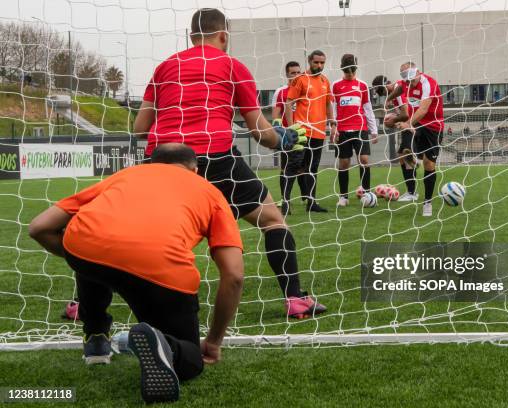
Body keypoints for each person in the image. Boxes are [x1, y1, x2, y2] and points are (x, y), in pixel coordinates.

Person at [132, 8, 326, 319]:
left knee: (130, 231)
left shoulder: (165, 67)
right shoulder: (232, 65)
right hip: (214, 157)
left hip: (161, 161)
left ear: (191, 36)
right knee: (273, 221)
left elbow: (140, 128)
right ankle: (295, 299)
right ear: (224, 36)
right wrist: (285, 140)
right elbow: (260, 133)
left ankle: (83, 304)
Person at [28, 144, 244, 404]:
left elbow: (39, 227)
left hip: (87, 247)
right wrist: (213, 341)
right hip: (161, 270)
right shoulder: (210, 192)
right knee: (192, 360)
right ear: (195, 170)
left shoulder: (125, 175)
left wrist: (89, 256)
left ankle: (96, 335)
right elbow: (234, 276)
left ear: (150, 163)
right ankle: (168, 347)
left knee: (89, 250)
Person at [385, 61, 445, 217]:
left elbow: (423, 109)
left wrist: (407, 123)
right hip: (417, 125)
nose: (409, 81)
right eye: (406, 78)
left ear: (417, 71)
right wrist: (389, 98)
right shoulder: (406, 83)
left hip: (432, 127)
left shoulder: (428, 83)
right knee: (404, 153)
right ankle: (414, 159)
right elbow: (399, 89)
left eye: (411, 77)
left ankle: (427, 202)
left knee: (429, 164)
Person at [285, 49, 336, 213]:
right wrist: (292, 128)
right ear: (309, 61)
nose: (319, 65)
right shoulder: (300, 80)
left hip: (319, 132)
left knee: (312, 168)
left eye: (322, 62)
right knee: (294, 166)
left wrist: (332, 124)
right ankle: (286, 203)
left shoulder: (325, 81)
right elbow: (288, 102)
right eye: (316, 62)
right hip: (302, 131)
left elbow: (328, 103)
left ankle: (311, 203)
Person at [331, 54, 378, 206]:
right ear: (342, 69)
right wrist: (334, 128)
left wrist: (374, 130)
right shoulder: (336, 85)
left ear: (356, 69)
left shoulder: (362, 85)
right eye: (347, 72)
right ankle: (343, 197)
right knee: (344, 163)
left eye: (352, 71)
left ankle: (366, 193)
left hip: (360, 128)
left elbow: (368, 108)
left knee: (364, 160)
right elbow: (333, 109)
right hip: (343, 130)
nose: (350, 74)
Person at [372, 74, 419, 202]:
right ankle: (411, 191)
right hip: (409, 125)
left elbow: (406, 114)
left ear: (386, 85)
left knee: (406, 155)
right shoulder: (399, 85)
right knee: (401, 156)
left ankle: (412, 193)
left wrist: (393, 120)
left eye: (382, 92)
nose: (383, 95)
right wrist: (396, 116)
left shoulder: (397, 92)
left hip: (412, 125)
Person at [272, 61, 304, 215]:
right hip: (288, 136)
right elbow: (276, 114)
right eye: (293, 73)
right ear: (287, 74)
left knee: (304, 168)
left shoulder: (305, 90)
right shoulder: (281, 92)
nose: (296, 75)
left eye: (299, 72)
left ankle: (308, 198)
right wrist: (278, 134)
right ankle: (286, 200)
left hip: (305, 134)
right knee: (286, 168)